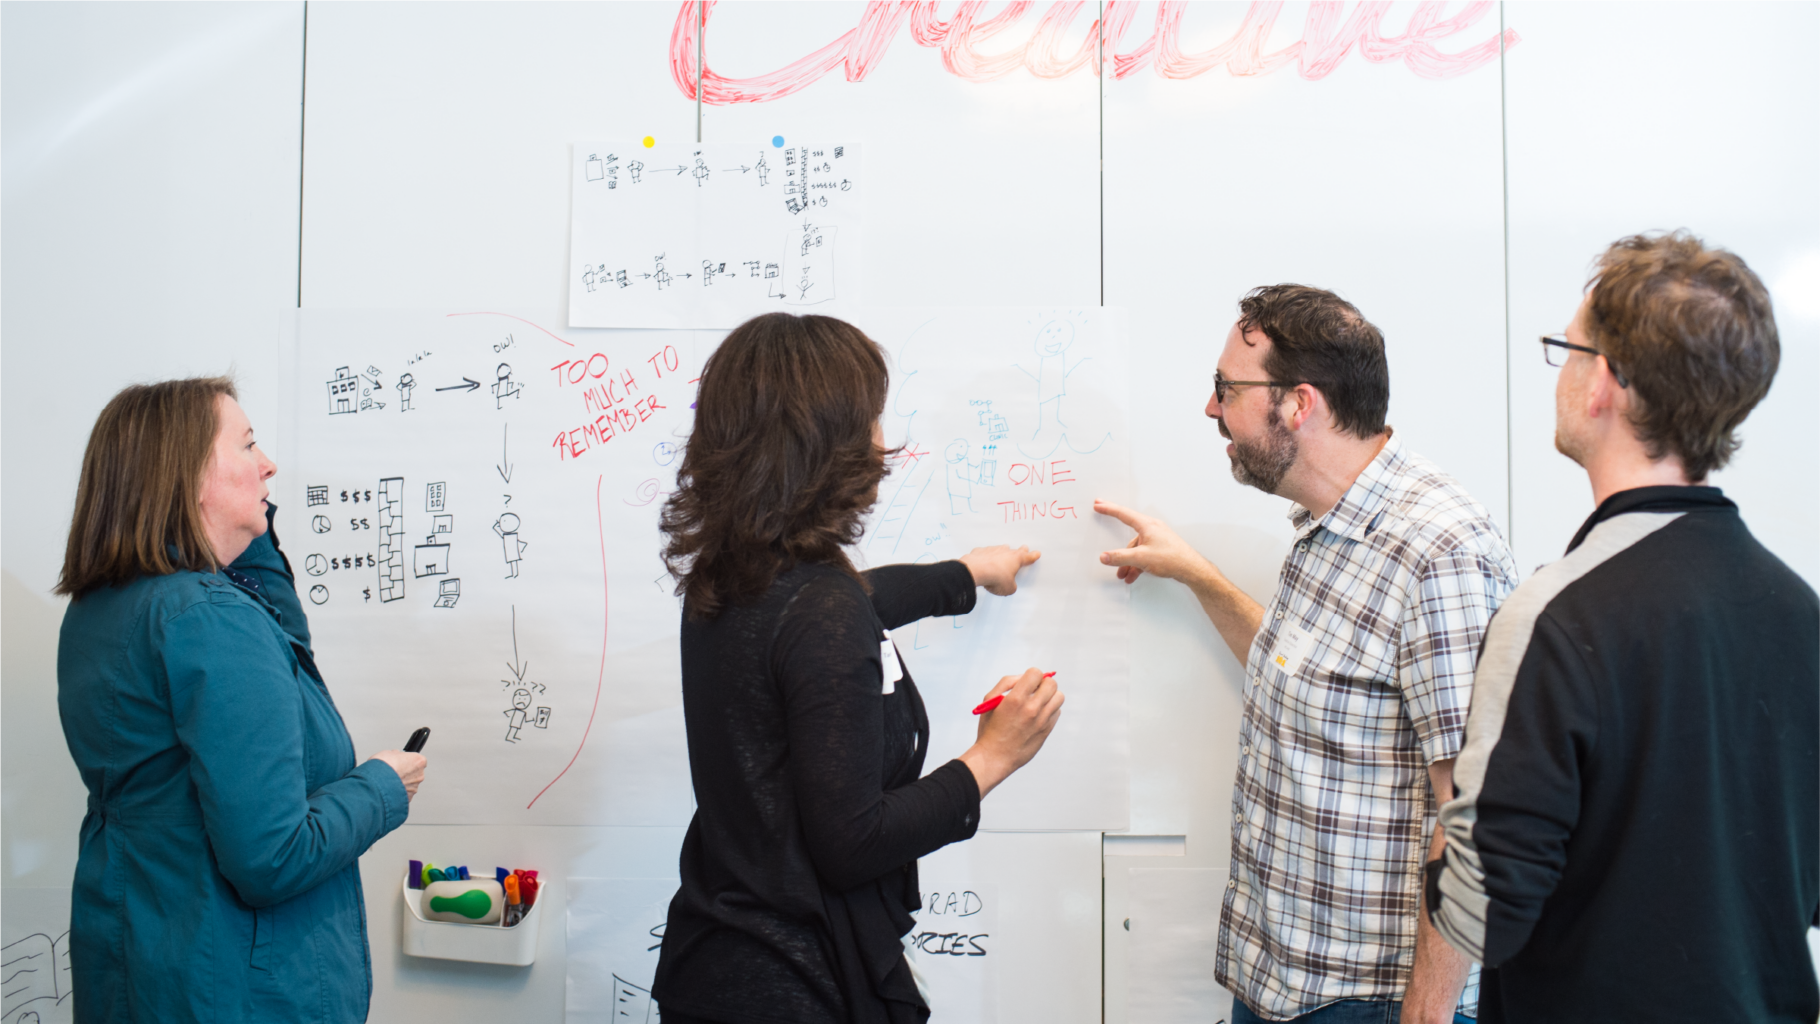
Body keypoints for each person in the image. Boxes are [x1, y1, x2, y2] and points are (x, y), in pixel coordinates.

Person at [1095, 285, 1518, 1024]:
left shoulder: (1440, 552)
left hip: (1374, 1001)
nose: (1210, 407)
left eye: (1227, 387)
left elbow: (1475, 810)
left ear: (1298, 404)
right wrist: (1196, 574)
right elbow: (1305, 675)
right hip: (1279, 979)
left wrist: (1428, 1013)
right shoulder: (1328, 524)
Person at [1427, 232, 1820, 1022]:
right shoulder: (1800, 609)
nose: (1561, 372)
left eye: (1566, 349)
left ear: (1604, 381)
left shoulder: (1552, 617)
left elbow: (1482, 915)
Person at [650, 313, 1065, 1024]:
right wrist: (994, 756)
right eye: (871, 419)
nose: (882, 443)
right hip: (795, 989)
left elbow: (847, 610)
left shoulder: (734, 575)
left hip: (718, 964)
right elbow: (855, 843)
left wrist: (964, 574)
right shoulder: (818, 609)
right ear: (826, 444)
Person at [55, 378, 425, 1023]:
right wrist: (383, 786)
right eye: (248, 445)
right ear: (186, 475)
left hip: (144, 958)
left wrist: (247, 522)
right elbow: (274, 858)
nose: (269, 465)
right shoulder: (210, 618)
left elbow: (285, 642)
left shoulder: (105, 609)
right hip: (235, 988)